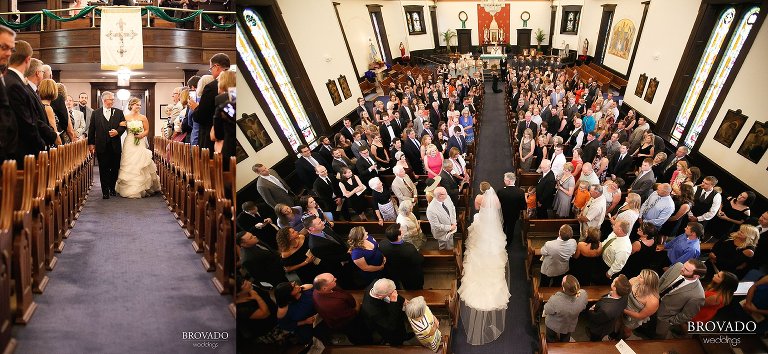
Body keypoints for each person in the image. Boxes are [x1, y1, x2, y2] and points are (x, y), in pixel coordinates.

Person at [457, 184, 510, 345]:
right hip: (492, 223)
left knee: (476, 231)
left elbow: (476, 208)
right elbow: (498, 209)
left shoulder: (479, 198)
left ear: (481, 190)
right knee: (494, 243)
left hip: (482, 221)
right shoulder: (495, 198)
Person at [114, 97, 161, 198]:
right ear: (131, 105)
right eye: (137, 105)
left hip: (139, 142)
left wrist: (141, 135)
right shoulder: (125, 117)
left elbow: (147, 130)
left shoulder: (143, 117)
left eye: (140, 105)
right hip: (129, 141)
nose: (138, 107)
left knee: (140, 162)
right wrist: (121, 125)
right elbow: (121, 128)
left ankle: (143, 187)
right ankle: (129, 188)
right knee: (129, 162)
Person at [312, 273, 372, 344]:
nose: (335, 279)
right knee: (360, 334)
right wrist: (357, 303)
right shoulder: (333, 304)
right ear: (324, 288)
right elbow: (352, 314)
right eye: (333, 280)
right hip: (349, 323)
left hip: (347, 312)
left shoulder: (318, 290)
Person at [88, 91, 126, 199]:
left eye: (113, 99)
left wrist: (117, 132)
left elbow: (123, 126)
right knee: (103, 169)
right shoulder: (96, 113)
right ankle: (105, 191)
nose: (113, 101)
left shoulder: (119, 112)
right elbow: (92, 129)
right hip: (101, 146)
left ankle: (112, 188)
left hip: (115, 146)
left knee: (115, 168)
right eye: (111, 99)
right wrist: (91, 144)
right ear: (104, 100)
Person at [656, 259, 706, 338]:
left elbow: (687, 315)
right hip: (653, 301)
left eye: (686, 269)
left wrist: (670, 321)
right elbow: (663, 277)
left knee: (658, 335)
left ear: (696, 276)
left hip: (664, 317)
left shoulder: (698, 295)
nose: (682, 269)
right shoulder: (678, 265)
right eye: (684, 266)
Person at [360, 278, 412, 346]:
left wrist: (403, 300)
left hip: (391, 314)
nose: (395, 293)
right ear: (380, 296)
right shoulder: (372, 311)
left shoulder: (377, 283)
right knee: (396, 339)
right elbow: (391, 325)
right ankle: (399, 342)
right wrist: (393, 302)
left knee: (400, 325)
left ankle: (404, 335)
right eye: (391, 293)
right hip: (387, 327)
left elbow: (393, 294)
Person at [543, 275, 588, 342]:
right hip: (569, 323)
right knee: (566, 337)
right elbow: (584, 306)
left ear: (563, 288)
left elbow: (547, 310)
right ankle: (564, 346)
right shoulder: (583, 294)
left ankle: (551, 347)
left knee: (550, 337)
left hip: (553, 324)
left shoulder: (556, 300)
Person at [587, 275, 631, 341]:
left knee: (595, 339)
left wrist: (591, 309)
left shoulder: (606, 310)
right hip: (609, 322)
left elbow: (596, 318)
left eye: (613, 281)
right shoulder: (624, 296)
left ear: (615, 288)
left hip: (599, 329)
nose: (612, 281)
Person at [380, 223, 424, 290]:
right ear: (398, 236)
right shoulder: (409, 248)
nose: (403, 230)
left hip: (393, 270)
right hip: (408, 272)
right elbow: (418, 260)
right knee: (412, 287)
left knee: (396, 286)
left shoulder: (382, 244)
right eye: (401, 230)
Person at [620, 269, 660, 339]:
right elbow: (624, 291)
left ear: (648, 282)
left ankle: (620, 339)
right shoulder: (634, 280)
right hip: (623, 306)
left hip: (632, 317)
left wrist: (622, 310)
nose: (637, 277)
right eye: (639, 274)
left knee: (625, 331)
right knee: (618, 324)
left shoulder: (653, 301)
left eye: (641, 277)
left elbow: (640, 316)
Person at [497, 172, 527, 241]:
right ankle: (509, 241)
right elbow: (523, 206)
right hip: (514, 214)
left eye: (504, 179)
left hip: (503, 213)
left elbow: (498, 204)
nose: (504, 181)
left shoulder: (500, 191)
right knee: (511, 227)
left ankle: (501, 238)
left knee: (502, 225)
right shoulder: (520, 192)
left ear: (509, 181)